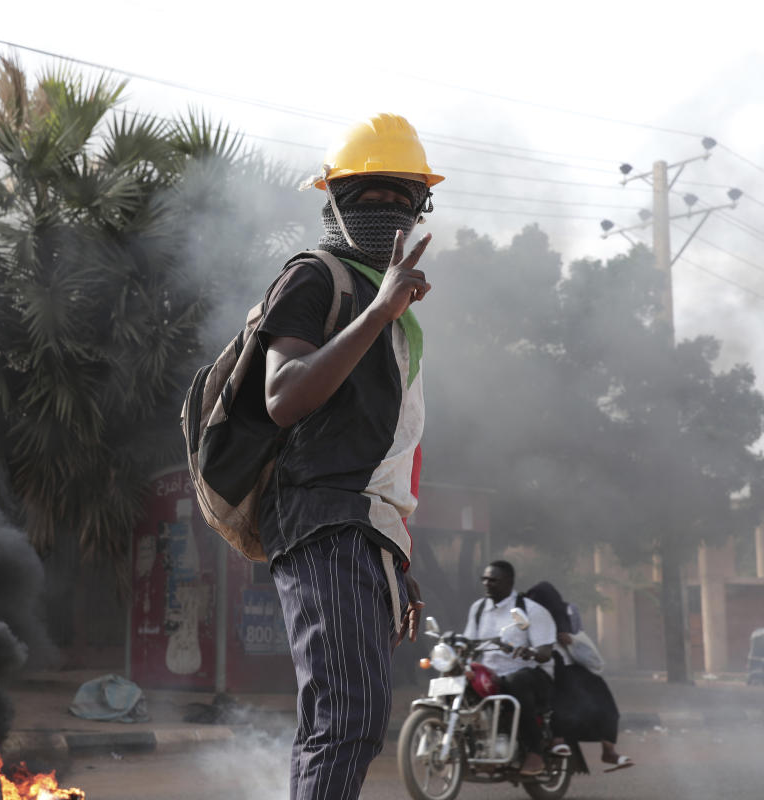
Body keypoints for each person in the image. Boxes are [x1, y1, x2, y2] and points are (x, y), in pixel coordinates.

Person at [257, 113, 442, 800]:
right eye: (371, 195)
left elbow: (389, 454)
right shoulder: (316, 276)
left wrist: (396, 551)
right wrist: (377, 313)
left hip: (365, 531)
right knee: (347, 720)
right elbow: (283, 397)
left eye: (403, 195)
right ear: (333, 199)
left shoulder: (394, 312)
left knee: (357, 721)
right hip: (324, 519)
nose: (389, 209)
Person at [524, 581, 634, 773]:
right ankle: (557, 740)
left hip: (571, 666)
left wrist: (569, 639)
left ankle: (608, 750)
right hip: (545, 668)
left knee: (601, 698)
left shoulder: (567, 612)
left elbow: (578, 635)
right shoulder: (527, 614)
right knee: (560, 699)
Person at [462, 560, 558, 776]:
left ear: (509, 582)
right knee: (460, 681)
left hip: (532, 674)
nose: (487, 584)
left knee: (516, 682)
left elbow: (545, 653)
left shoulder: (530, 610)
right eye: (485, 579)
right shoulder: (478, 609)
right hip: (491, 674)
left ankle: (535, 751)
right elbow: (469, 642)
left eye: (493, 580)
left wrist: (529, 651)